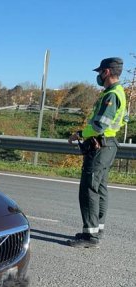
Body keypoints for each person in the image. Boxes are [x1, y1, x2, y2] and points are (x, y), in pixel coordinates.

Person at [67, 57, 127, 248]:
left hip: (100, 146)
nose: (99, 76)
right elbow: (124, 119)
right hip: (108, 145)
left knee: (89, 190)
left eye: (100, 72)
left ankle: (90, 237)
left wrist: (79, 134)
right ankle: (96, 229)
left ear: (107, 72)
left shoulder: (110, 95)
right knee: (100, 189)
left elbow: (99, 125)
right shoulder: (119, 92)